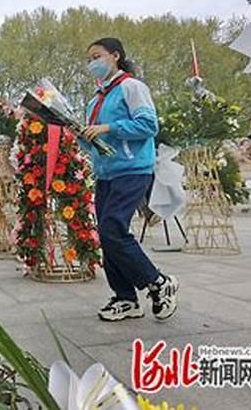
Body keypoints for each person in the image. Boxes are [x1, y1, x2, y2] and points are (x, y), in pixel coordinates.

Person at [80, 37, 178, 322]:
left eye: (97, 56)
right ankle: (125, 298)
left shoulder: (132, 88)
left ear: (116, 56)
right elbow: (96, 142)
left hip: (133, 169)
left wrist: (108, 126)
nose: (92, 64)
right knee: (107, 235)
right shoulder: (95, 100)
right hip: (106, 173)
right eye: (89, 59)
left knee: (113, 228)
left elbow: (148, 125)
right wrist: (82, 135)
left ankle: (158, 282)